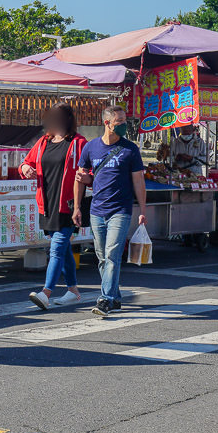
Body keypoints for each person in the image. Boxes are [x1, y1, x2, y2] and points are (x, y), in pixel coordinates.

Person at [74, 106, 147, 317]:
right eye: (119, 121)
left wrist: (142, 209)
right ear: (107, 123)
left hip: (120, 210)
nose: (124, 124)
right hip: (97, 210)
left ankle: (105, 299)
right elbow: (80, 178)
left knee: (112, 255)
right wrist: (77, 207)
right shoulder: (90, 148)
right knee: (102, 258)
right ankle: (115, 298)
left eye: (125, 120)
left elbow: (138, 180)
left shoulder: (130, 149)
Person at [20, 103, 87, 309]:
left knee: (57, 248)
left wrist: (87, 178)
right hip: (47, 203)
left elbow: (90, 170)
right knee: (64, 247)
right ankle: (73, 290)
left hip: (68, 204)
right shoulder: (43, 142)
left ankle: (46, 292)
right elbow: (26, 163)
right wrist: (25, 169)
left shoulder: (79, 143)